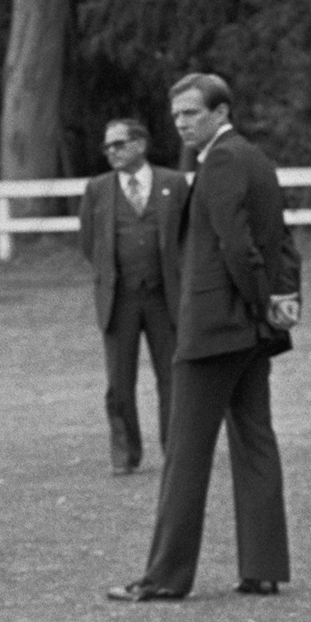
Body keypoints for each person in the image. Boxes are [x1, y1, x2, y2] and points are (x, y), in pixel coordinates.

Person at [109, 73, 297, 603]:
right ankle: (263, 569)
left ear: (220, 112)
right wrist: (276, 304)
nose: (182, 125)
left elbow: (239, 247)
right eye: (176, 117)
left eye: (191, 114)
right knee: (255, 440)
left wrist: (259, 300)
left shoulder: (222, 160)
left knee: (186, 454)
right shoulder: (255, 159)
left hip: (215, 328)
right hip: (250, 332)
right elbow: (283, 240)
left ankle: (164, 578)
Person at [80, 117, 186, 475]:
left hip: (164, 298)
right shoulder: (98, 189)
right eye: (107, 146)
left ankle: (176, 450)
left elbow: (187, 239)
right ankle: (125, 455)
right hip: (120, 298)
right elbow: (90, 243)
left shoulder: (173, 183)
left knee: (172, 377)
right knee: (119, 382)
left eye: (119, 144)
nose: (111, 152)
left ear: (140, 145)